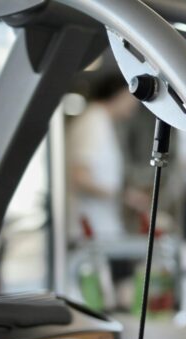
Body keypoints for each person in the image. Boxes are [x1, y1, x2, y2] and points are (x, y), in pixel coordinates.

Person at [66, 73, 141, 244]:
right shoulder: (93, 121)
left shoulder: (101, 121)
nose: (135, 104)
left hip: (101, 224)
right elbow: (79, 177)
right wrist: (124, 196)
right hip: (91, 225)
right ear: (119, 94)